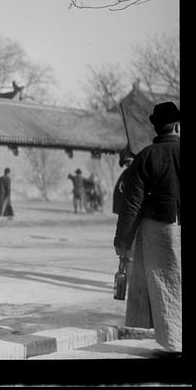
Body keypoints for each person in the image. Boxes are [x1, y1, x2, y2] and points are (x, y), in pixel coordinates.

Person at [114, 101, 180, 357]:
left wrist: (122, 240)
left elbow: (132, 204)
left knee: (165, 285)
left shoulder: (145, 157)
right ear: (176, 126)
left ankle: (174, 341)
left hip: (158, 230)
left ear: (157, 128)